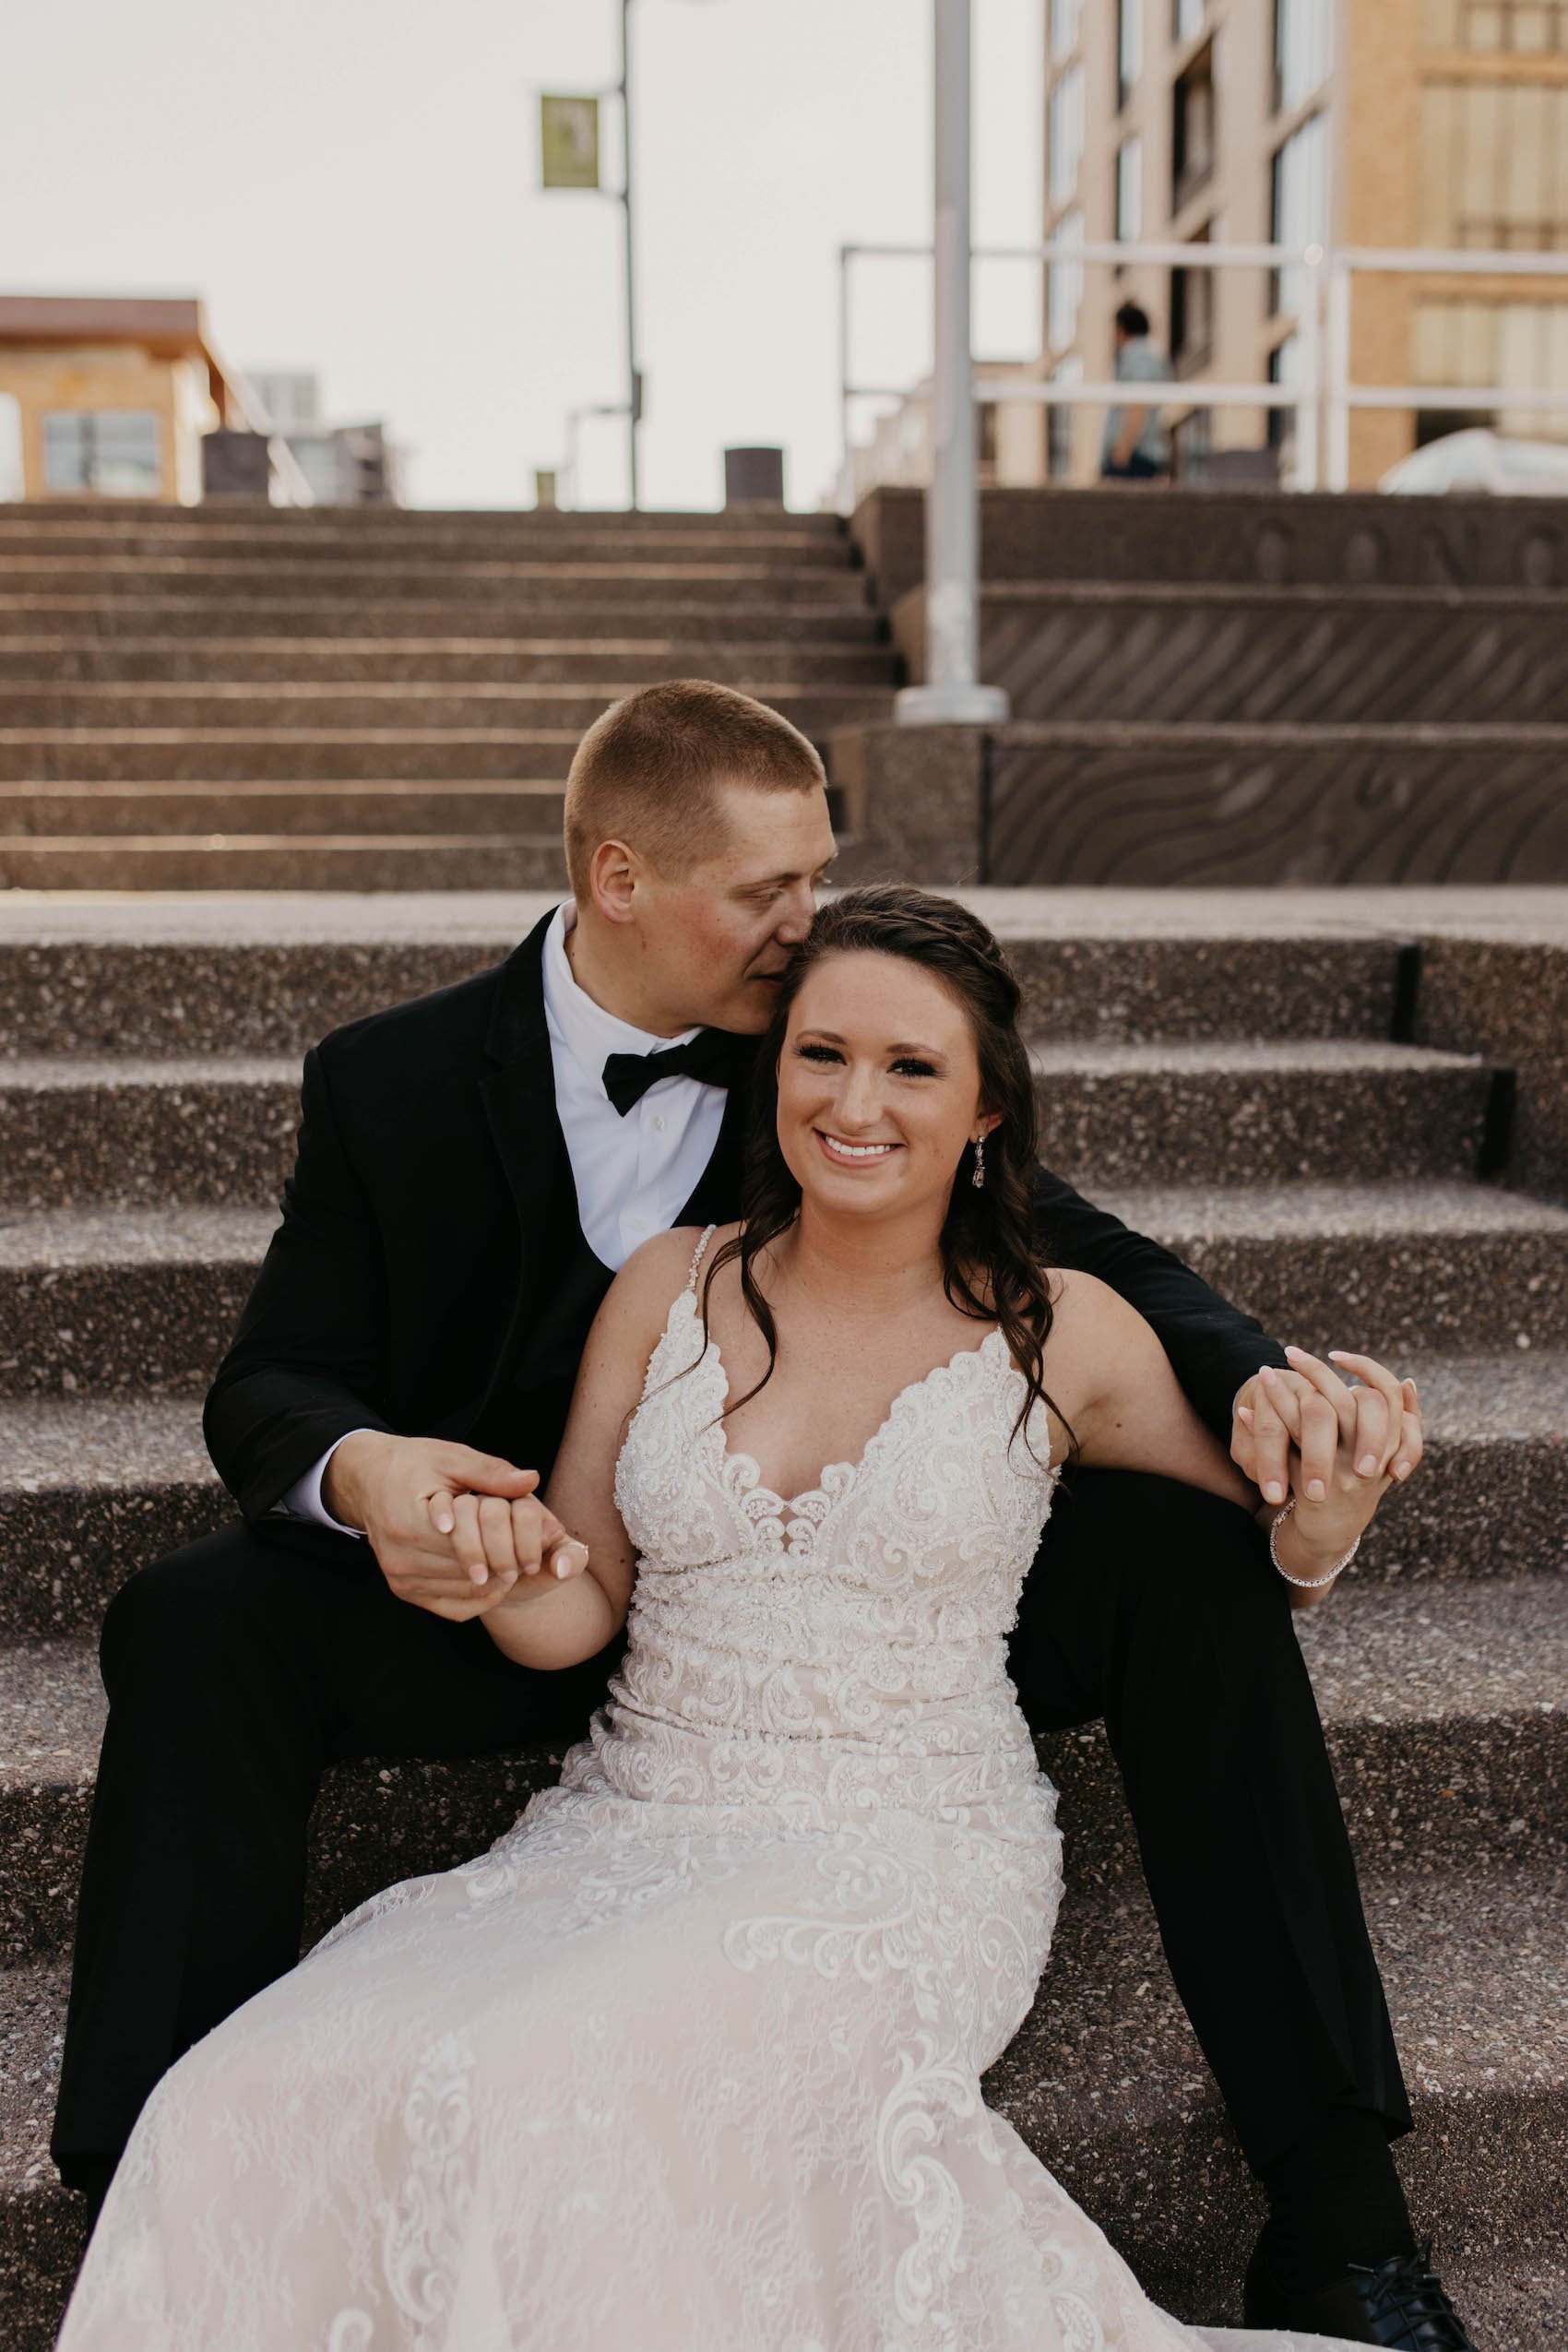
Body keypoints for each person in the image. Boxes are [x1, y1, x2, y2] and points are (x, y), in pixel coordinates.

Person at [50, 683, 1473, 2347]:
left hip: (856, 1642)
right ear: (622, 875)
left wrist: (1260, 1394)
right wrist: (378, 1482)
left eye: (821, 881)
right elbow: (278, 1377)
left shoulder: (832, 1048)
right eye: (768, 892)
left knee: (1189, 1562)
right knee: (191, 1620)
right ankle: (142, 2176)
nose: (807, 929)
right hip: (534, 1579)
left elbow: (1078, 1255)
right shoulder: (392, 1084)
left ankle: (1337, 2208)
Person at [1100, 299, 1172, 482]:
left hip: (1133, 456)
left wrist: (1122, 452)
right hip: (1137, 454)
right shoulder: (1149, 356)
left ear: (1120, 329)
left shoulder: (1137, 357)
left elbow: (1138, 405)